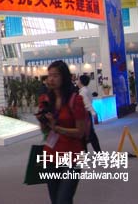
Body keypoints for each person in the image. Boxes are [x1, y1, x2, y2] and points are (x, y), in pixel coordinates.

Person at [36, 60, 87, 204]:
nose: (51, 79)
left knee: (63, 199)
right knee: (56, 200)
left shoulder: (75, 100)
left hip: (73, 157)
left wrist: (57, 128)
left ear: (64, 77)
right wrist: (43, 121)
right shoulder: (45, 100)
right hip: (51, 156)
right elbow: (44, 131)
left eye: (55, 75)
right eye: (49, 75)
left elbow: (80, 132)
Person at [77, 75, 102, 152]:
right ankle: (96, 152)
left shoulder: (82, 92)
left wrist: (93, 113)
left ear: (81, 81)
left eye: (78, 80)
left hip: (85, 115)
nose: (77, 82)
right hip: (87, 114)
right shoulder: (86, 90)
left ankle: (96, 152)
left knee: (88, 134)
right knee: (88, 134)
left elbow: (87, 104)